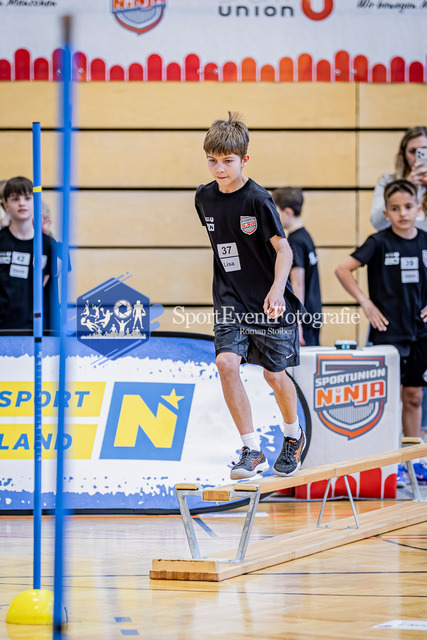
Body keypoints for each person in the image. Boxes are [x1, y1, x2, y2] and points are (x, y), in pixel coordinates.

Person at [195, 112, 305, 480]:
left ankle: (293, 435)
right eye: (212, 160)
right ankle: (251, 449)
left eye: (227, 161)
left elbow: (284, 249)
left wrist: (276, 290)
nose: (219, 169)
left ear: (244, 159)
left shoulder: (258, 199)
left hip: (269, 302)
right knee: (226, 363)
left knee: (275, 376)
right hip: (230, 300)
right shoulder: (203, 197)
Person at [335, 180, 427, 483]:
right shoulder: (378, 242)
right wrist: (366, 303)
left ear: (418, 208)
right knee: (387, 399)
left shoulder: (425, 240)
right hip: (387, 333)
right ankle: (391, 462)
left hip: (421, 333)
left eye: (408, 207)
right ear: (386, 213)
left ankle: (415, 460)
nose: (403, 213)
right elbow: (342, 269)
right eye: (395, 208)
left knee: (414, 396)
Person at [0, 176, 55, 334]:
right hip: (3, 328)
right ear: (6, 205)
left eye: (27, 198)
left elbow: (48, 281)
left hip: (36, 329)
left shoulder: (48, 244)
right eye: (15, 199)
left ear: (36, 203)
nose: (22, 203)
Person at [272, 187, 322, 346]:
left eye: (276, 211)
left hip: (303, 317)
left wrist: (296, 321)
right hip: (313, 312)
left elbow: (298, 283)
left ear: (288, 212)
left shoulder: (295, 242)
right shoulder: (305, 236)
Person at [370, 126, 427, 232]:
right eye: (412, 151)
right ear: (404, 155)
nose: (417, 157)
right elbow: (377, 223)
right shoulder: (387, 182)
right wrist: (404, 188)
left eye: (424, 150)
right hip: (397, 241)